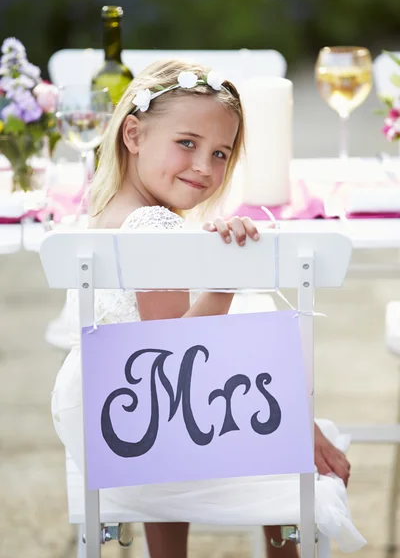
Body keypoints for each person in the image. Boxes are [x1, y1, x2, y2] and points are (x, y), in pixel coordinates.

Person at [51, 59, 351, 558]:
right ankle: (286, 546)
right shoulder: (154, 227)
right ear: (133, 134)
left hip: (107, 421)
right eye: (187, 144)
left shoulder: (106, 208)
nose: (204, 168)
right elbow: (179, 359)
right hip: (153, 427)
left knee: (263, 379)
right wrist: (224, 280)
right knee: (288, 439)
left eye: (219, 153)